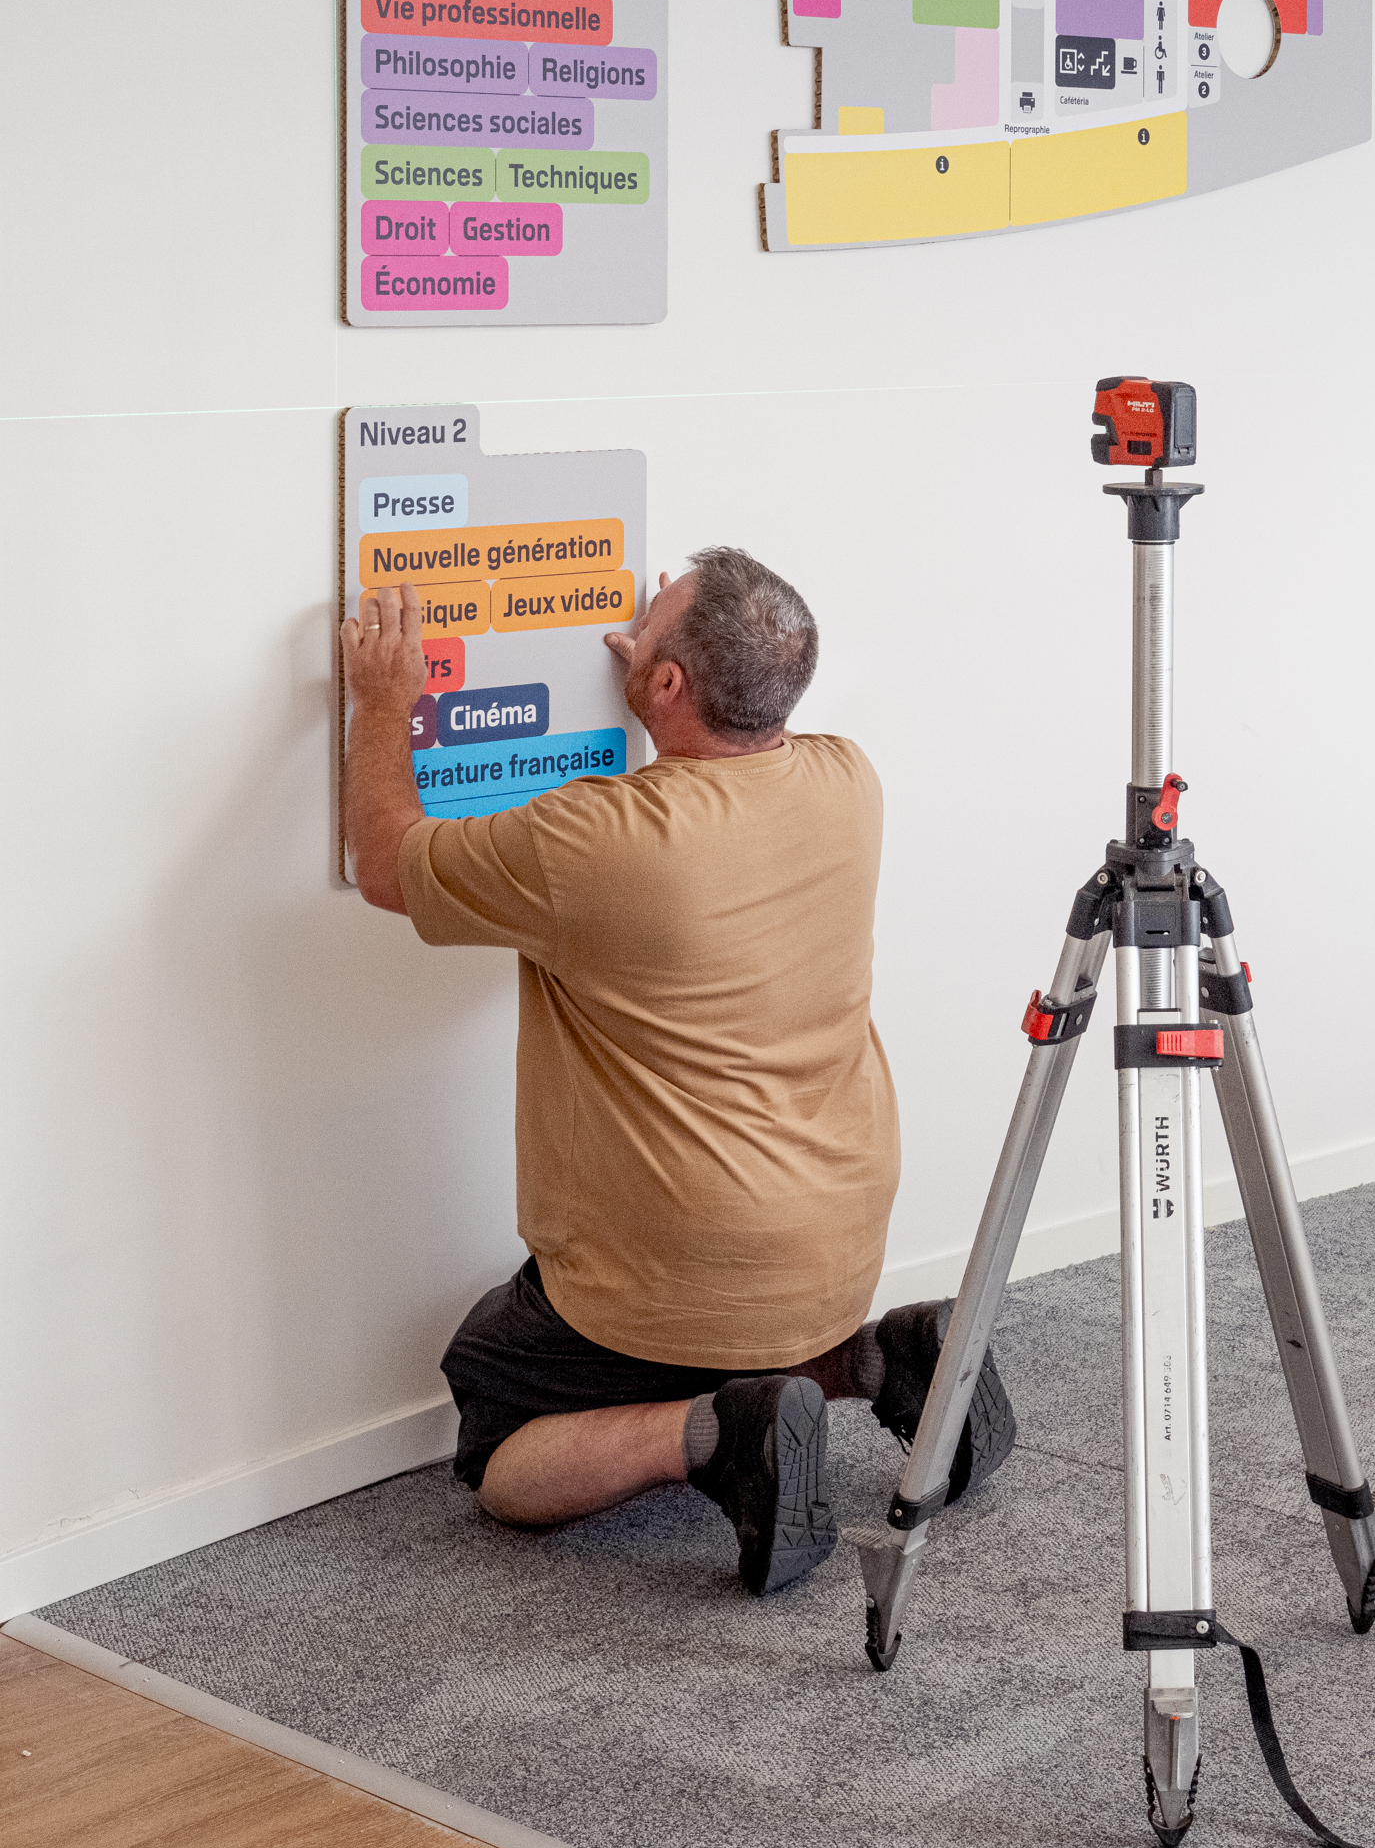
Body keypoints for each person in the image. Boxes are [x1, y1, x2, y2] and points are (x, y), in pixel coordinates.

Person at [340, 546, 1014, 1595]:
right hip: (837, 1235)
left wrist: (387, 700)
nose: (630, 628)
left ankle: (719, 1433)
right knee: (727, 1329)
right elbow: (720, 721)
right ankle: (875, 1359)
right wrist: (677, 665)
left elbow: (387, 863)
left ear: (665, 682)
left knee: (496, 1423)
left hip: (690, 1261)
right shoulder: (847, 780)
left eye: (648, 629)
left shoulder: (595, 840)